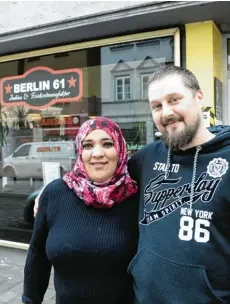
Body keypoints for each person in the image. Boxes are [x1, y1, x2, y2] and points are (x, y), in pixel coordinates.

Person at [128, 66, 230, 304]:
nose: (166, 112)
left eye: (174, 100)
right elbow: (103, 178)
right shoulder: (146, 158)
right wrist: (56, 192)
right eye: (157, 106)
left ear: (199, 97)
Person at [22, 117, 139, 304]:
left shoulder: (136, 198)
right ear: (79, 151)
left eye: (107, 144)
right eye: (88, 145)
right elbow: (37, 255)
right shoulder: (55, 194)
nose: (97, 153)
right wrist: (30, 299)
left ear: (120, 149)